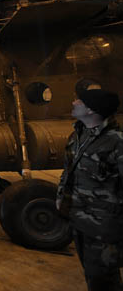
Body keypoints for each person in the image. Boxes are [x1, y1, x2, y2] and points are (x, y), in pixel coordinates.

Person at [56, 88, 123, 291]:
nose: (74, 102)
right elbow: (69, 171)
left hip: (104, 228)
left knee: (104, 280)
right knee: (92, 276)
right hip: (79, 220)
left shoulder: (116, 142)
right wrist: (61, 198)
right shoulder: (78, 135)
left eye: (79, 100)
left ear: (91, 110)